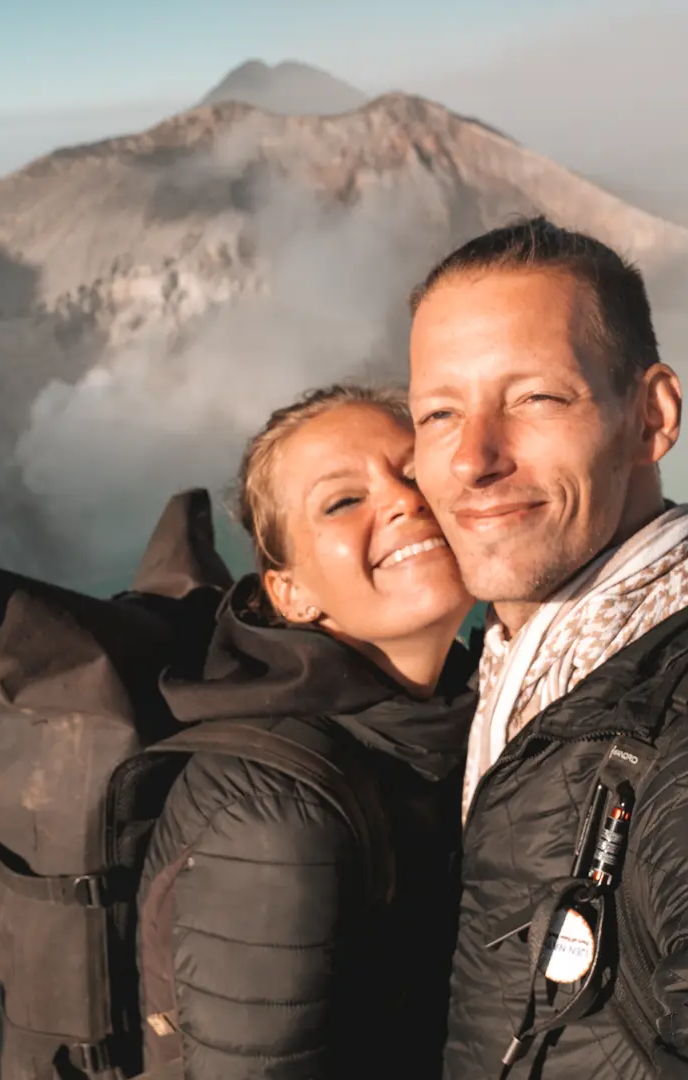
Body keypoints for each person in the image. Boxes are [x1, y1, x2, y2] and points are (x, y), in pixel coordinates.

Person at [407, 216, 688, 1079]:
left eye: (535, 398)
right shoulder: (528, 681)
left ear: (651, 417)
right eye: (438, 413)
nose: (473, 458)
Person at [137, 384, 478, 1080]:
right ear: (290, 593)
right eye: (342, 500)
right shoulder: (269, 815)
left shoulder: (460, 721)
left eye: (414, 473)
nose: (405, 500)